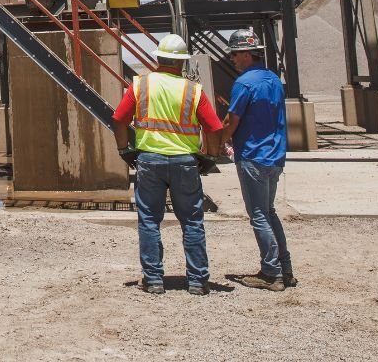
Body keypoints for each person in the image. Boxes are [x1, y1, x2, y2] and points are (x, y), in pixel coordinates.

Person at [113, 33, 225, 296]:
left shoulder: (140, 86)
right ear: (182, 63)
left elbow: (118, 119)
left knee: (150, 220)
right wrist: (210, 157)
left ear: (158, 59)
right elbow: (215, 127)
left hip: (149, 161)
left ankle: (153, 280)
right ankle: (197, 281)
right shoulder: (192, 90)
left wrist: (123, 150)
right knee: (192, 221)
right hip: (185, 163)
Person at [218, 27, 296, 292]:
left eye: (234, 55)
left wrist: (220, 140)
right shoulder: (273, 79)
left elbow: (232, 120)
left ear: (246, 54)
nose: (232, 59)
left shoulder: (244, 83)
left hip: (252, 155)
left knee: (259, 215)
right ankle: (285, 269)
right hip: (274, 156)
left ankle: (271, 273)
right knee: (269, 211)